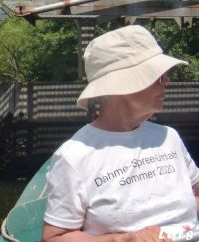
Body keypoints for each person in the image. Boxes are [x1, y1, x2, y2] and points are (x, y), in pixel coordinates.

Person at [42, 25, 199, 242]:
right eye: (159, 76)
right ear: (125, 85)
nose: (168, 81)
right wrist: (124, 240)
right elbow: (54, 238)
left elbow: (196, 191)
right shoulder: (74, 157)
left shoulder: (169, 137)